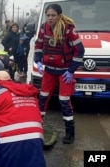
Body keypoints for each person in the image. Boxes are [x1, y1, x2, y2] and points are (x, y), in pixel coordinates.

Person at [34, 4, 85, 144]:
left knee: (64, 101)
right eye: (48, 15)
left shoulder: (69, 29)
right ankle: (38, 128)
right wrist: (38, 61)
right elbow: (38, 46)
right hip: (49, 70)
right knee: (42, 99)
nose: (50, 18)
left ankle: (70, 132)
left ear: (59, 15)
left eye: (53, 15)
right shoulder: (44, 28)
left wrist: (71, 70)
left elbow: (79, 50)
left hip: (64, 71)